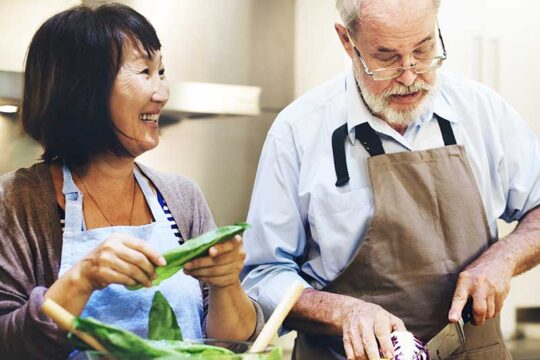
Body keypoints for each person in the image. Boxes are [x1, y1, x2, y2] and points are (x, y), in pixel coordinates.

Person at [241, 0, 540, 359]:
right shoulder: (297, 133)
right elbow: (262, 276)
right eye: (387, 58)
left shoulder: (483, 112)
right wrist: (341, 311)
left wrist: (503, 259)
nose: (410, 75)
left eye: (424, 49)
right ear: (347, 41)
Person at [0, 4, 262, 359]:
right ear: (83, 88)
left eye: (162, 72)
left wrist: (226, 282)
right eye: (145, 71)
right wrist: (83, 278)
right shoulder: (16, 202)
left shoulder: (182, 197)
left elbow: (230, 343)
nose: (163, 93)